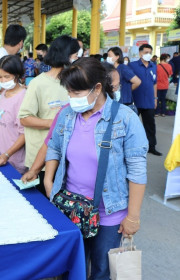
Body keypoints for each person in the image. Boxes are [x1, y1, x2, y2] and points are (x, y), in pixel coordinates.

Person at [44, 57, 148, 280]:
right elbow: (54, 146)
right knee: (71, 268)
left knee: (102, 271)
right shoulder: (67, 115)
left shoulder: (125, 119)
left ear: (97, 87)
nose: (71, 98)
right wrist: (48, 180)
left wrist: (133, 217)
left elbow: (137, 172)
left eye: (77, 93)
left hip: (109, 214)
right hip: (71, 208)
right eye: (69, 92)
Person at [18, 35, 79, 196]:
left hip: (67, 158)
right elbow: (24, 118)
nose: (78, 59)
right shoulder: (38, 84)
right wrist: (55, 123)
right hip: (42, 159)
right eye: (75, 55)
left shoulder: (73, 83)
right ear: (66, 56)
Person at [0, 55, 26, 174]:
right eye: (0, 77)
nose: (3, 81)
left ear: (17, 75)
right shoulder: (4, 93)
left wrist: (7, 154)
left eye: (7, 77)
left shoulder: (23, 97)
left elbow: (24, 134)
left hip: (12, 160)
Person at [129, 44, 162, 156]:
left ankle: (151, 146)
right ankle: (129, 146)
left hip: (149, 100)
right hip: (135, 100)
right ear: (140, 53)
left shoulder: (154, 66)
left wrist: (155, 98)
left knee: (150, 125)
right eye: (146, 52)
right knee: (131, 125)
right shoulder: (132, 65)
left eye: (150, 52)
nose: (148, 55)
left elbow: (155, 84)